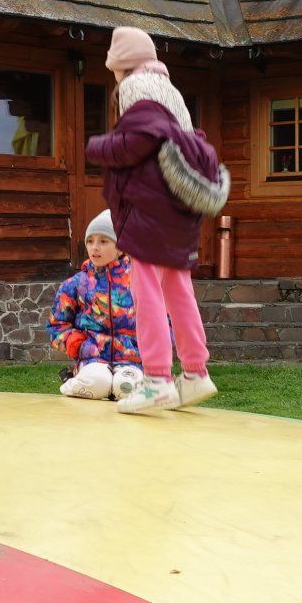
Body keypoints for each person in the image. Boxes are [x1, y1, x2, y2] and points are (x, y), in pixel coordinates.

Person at [85, 28, 228, 415]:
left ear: (121, 66)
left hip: (150, 211)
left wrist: (97, 145)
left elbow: (140, 139)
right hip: (178, 212)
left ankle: (157, 381)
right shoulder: (171, 91)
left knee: (145, 291)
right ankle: (196, 372)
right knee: (178, 291)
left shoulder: (136, 87)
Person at [51, 210, 142, 400]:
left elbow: (163, 321)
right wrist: (76, 344)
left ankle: (130, 388)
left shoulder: (140, 282)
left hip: (131, 360)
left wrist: (151, 351)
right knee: (97, 382)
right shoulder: (76, 284)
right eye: (90, 241)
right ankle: (75, 381)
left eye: (103, 241)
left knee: (126, 387)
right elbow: (56, 324)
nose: (95, 247)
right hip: (93, 358)